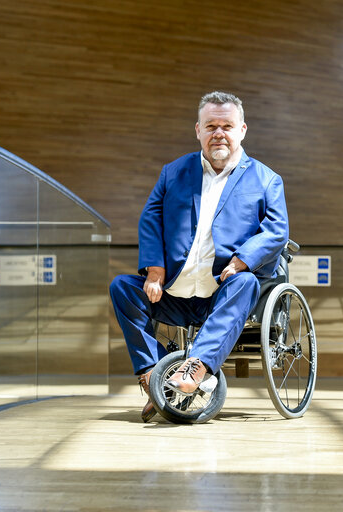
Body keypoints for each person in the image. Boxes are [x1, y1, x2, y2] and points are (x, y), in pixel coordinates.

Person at [109, 91, 289, 422]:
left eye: (227, 126)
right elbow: (151, 218)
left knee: (247, 282)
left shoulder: (266, 180)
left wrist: (241, 261)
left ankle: (196, 368)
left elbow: (277, 232)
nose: (218, 133)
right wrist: (155, 270)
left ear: (242, 130)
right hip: (174, 290)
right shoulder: (173, 172)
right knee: (122, 287)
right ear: (198, 130)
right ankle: (154, 376)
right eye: (211, 126)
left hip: (222, 292)